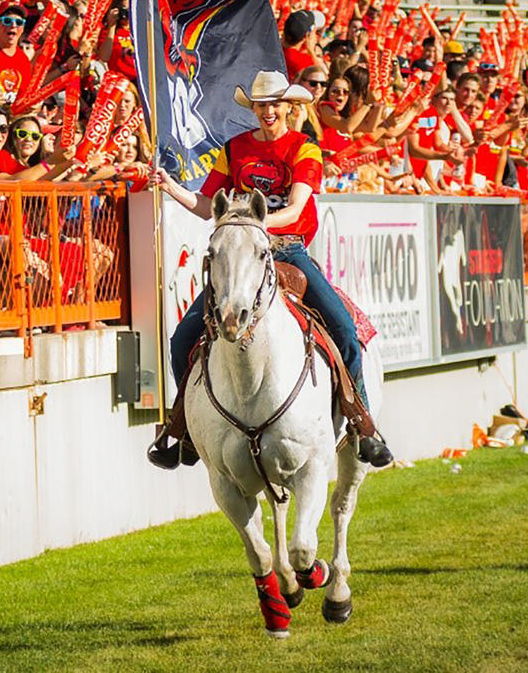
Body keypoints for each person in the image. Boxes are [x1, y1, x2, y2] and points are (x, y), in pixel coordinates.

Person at [147, 70, 393, 469]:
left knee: (345, 330)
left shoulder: (304, 148)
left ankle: (362, 424)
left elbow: (295, 209)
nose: (268, 111)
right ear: (254, 108)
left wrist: (250, 223)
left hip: (287, 250)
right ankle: (184, 427)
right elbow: (210, 205)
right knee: (181, 340)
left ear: (289, 106)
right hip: (241, 253)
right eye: (261, 104)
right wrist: (172, 187)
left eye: (275, 103)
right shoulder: (236, 147)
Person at [0, 2, 32, 99]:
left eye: (19, 23)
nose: (13, 25)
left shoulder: (23, 61)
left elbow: (22, 98)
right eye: (7, 21)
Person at [282, 9, 323, 79]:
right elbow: (320, 77)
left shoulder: (270, 47)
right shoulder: (304, 61)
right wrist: (311, 50)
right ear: (306, 36)